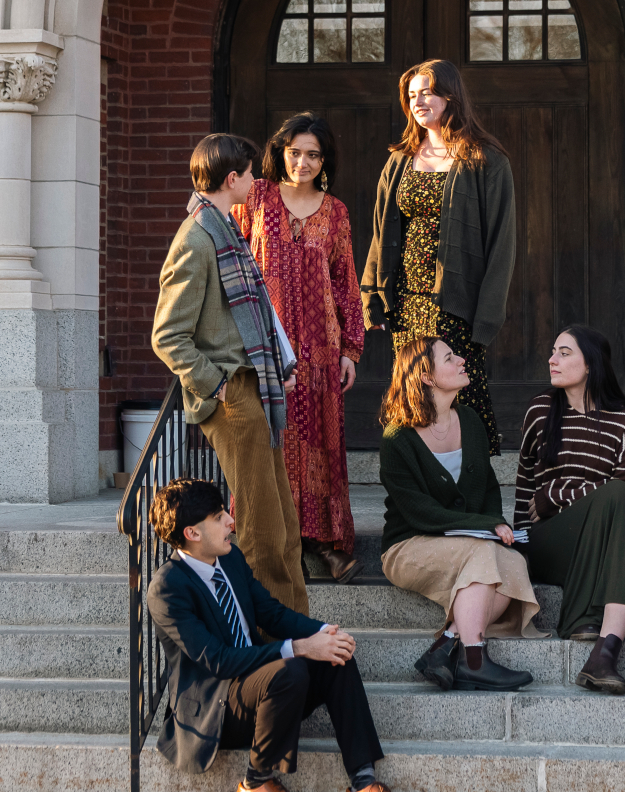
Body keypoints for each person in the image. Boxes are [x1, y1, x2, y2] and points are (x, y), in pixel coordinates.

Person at [145, 479, 388, 792]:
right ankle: (256, 782)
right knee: (290, 667)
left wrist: (322, 633)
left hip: (263, 692)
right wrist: (299, 647)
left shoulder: (230, 559)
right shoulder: (167, 589)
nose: (231, 521)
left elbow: (271, 614)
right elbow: (218, 661)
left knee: (334, 655)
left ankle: (363, 780)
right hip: (216, 709)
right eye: (219, 517)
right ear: (192, 533)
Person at [152, 134, 308, 614]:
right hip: (233, 394)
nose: (257, 181)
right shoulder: (197, 239)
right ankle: (276, 638)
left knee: (282, 522)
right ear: (232, 178)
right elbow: (167, 335)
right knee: (261, 531)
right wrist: (217, 387)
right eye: (251, 172)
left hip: (253, 389)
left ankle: (300, 625)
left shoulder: (225, 231)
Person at [233, 113, 368, 584]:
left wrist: (351, 348)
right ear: (281, 151)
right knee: (273, 441)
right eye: (296, 152)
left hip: (321, 350)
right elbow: (228, 260)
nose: (303, 162)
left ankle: (324, 544)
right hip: (265, 346)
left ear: (324, 159)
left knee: (320, 447)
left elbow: (346, 283)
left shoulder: (336, 212)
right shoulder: (256, 198)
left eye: (313, 154)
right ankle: (276, 548)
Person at [361, 59, 517, 452]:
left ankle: (471, 492)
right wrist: (373, 298)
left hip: (456, 304)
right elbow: (380, 232)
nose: (418, 101)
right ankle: (415, 492)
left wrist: (486, 315)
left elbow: (502, 244)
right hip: (408, 302)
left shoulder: (486, 160)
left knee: (461, 396)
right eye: (411, 95)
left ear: (450, 95)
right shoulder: (399, 160)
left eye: (426, 92)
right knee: (413, 394)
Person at [379, 336, 545, 694]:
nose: (461, 361)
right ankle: (474, 659)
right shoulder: (397, 439)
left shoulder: (469, 420)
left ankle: (446, 644)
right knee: (487, 554)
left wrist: (493, 526)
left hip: (466, 541)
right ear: (426, 377)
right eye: (449, 358)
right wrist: (487, 527)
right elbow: (420, 513)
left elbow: (486, 489)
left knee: (514, 562)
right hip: (409, 545)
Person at [514, 325, 625, 694]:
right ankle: (597, 617)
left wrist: (558, 494)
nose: (552, 359)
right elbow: (524, 486)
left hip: (599, 534)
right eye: (553, 351)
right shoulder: (540, 410)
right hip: (550, 539)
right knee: (614, 500)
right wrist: (516, 547)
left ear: (591, 364)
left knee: (617, 498)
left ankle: (603, 655)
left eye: (564, 353)